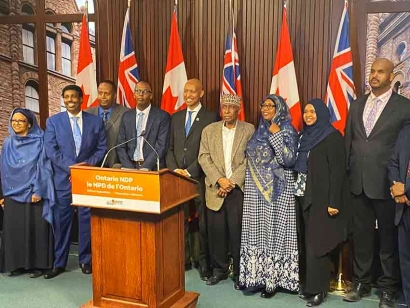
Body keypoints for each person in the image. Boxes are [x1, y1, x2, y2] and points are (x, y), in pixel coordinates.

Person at [344, 58, 410, 308]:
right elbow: (348, 141)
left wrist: (401, 182)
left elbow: (405, 150)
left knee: (387, 239)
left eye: (380, 72)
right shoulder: (357, 104)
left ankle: (388, 288)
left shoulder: (404, 107)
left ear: (391, 76)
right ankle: (361, 282)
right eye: (372, 71)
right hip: (358, 181)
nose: (374, 75)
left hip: (387, 184)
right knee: (361, 237)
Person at [44, 85, 107, 279]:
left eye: (74, 96)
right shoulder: (53, 122)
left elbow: (102, 148)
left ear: (81, 99)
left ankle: (85, 260)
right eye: (67, 97)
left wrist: (85, 167)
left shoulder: (96, 122)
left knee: (86, 220)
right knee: (62, 222)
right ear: (63, 100)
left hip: (87, 178)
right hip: (63, 179)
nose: (70, 99)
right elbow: (51, 150)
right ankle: (59, 262)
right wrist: (72, 168)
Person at [239, 94, 299, 298]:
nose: (265, 109)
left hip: (277, 191)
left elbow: (289, 160)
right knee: (257, 231)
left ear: (279, 108)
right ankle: (256, 277)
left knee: (274, 232)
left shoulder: (287, 129)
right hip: (255, 192)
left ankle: (273, 281)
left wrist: (276, 135)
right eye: (263, 105)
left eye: (270, 106)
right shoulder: (258, 130)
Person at [294, 99, 349, 307]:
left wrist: (333, 201)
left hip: (322, 198)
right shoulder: (304, 137)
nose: (308, 115)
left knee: (318, 243)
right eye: (306, 112)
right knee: (306, 243)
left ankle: (319, 290)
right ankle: (309, 286)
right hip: (302, 195)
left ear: (322, 114)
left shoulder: (332, 137)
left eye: (312, 112)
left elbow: (338, 172)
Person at [198, 93, 254, 287]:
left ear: (238, 109)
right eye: (224, 107)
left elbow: (250, 159)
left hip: (237, 190)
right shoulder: (209, 130)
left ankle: (240, 273)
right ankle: (219, 270)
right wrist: (220, 180)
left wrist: (230, 182)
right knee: (216, 232)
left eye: (231, 107)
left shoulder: (248, 130)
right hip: (215, 188)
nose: (227, 111)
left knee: (237, 233)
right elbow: (204, 157)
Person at [166, 78, 218, 280]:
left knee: (203, 222)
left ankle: (204, 263)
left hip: (199, 177)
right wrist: (175, 170)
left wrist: (189, 171)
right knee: (180, 221)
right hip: (177, 177)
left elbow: (211, 150)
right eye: (186, 91)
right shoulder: (175, 117)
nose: (188, 95)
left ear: (201, 93)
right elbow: (169, 149)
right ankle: (184, 259)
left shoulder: (211, 116)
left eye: (192, 92)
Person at [0, 108, 55, 278]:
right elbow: (2, 169)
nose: (16, 124)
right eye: (14, 121)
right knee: (14, 229)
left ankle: (38, 266)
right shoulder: (8, 143)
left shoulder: (40, 141)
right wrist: (2, 194)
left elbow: (44, 167)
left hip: (33, 191)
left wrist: (39, 189)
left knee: (35, 229)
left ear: (29, 123)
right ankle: (16, 264)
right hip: (11, 192)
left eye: (21, 121)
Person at [117, 81, 170, 170]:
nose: (140, 94)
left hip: (151, 168)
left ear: (151, 96)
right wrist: (128, 166)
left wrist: (146, 167)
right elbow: (120, 145)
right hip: (129, 167)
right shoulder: (127, 116)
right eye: (138, 91)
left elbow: (161, 146)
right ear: (134, 94)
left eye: (145, 91)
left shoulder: (162, 116)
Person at [387, 124, 410, 308]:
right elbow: (393, 163)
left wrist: (407, 189)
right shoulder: (405, 131)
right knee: (405, 258)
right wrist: (399, 190)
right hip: (404, 208)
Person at [86, 80, 129, 167]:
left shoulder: (126, 113)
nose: (103, 96)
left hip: (117, 165)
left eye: (106, 93)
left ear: (114, 95)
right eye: (100, 93)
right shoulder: (87, 113)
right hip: (92, 165)